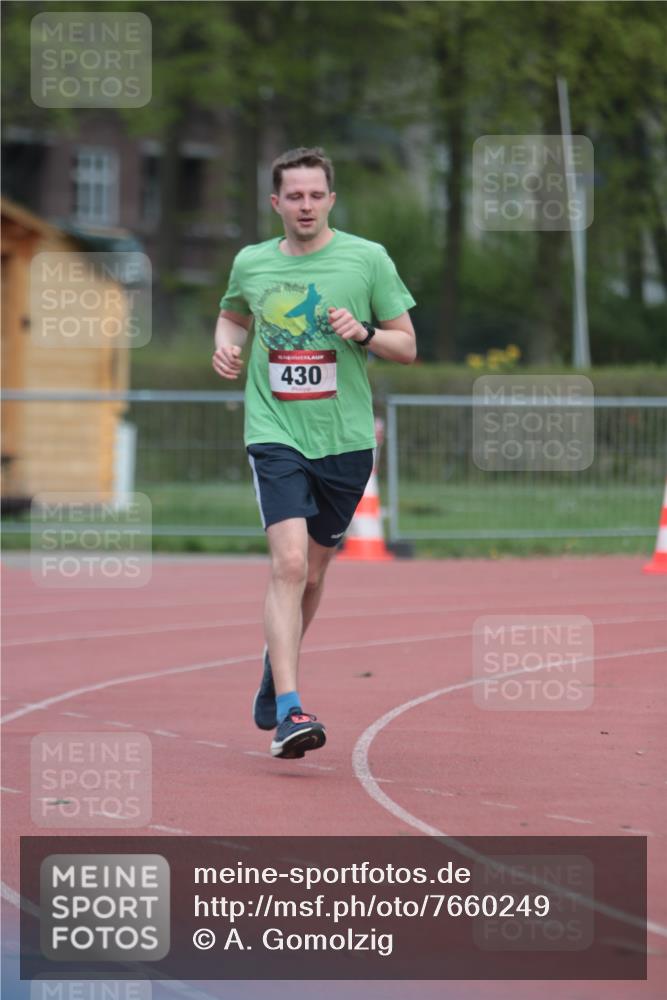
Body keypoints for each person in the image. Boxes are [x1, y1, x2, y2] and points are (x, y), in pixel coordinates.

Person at [212, 147, 416, 760]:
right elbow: (232, 317)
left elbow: (407, 346)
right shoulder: (251, 262)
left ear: (331, 199)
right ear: (276, 202)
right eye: (294, 196)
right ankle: (290, 710)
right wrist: (225, 347)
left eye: (315, 195)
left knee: (316, 573)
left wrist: (365, 333)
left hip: (345, 441)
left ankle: (275, 669)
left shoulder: (367, 259)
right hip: (275, 432)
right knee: (290, 564)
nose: (305, 205)